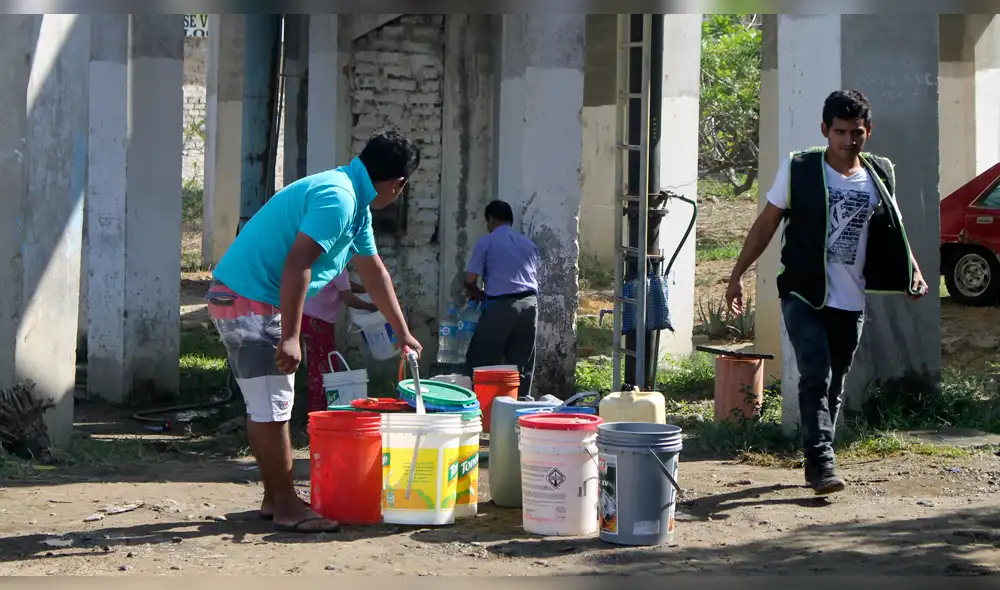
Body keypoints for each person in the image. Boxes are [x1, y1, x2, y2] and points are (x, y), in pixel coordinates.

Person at [205, 129, 423, 533]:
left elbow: (374, 272)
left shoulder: (354, 201)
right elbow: (298, 263)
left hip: (245, 296)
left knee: (265, 404)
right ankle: (287, 504)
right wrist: (290, 335)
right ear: (398, 184)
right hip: (251, 299)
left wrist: (403, 332)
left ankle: (275, 497)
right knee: (272, 406)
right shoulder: (339, 197)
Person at [724, 89, 929, 495]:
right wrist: (737, 274)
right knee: (814, 372)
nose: (848, 141)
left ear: (868, 131)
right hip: (803, 292)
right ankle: (820, 463)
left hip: (850, 300)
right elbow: (766, 223)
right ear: (825, 130)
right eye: (840, 132)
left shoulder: (878, 175)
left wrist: (914, 273)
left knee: (834, 382)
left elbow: (896, 232)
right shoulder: (800, 169)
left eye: (856, 132)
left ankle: (820, 456)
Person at [463, 200, 541, 397]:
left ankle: (477, 404)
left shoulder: (487, 241)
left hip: (502, 305)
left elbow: (470, 278)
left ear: (492, 219)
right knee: (521, 363)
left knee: (480, 359)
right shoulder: (528, 244)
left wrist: (475, 291)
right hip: (530, 305)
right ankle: (520, 407)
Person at [301, 267, 378, 413]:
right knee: (323, 367)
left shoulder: (328, 259)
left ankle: (319, 408)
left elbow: (344, 285)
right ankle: (321, 411)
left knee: (317, 364)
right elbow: (348, 299)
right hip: (319, 321)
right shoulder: (338, 266)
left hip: (309, 317)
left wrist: (365, 289)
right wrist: (372, 307)